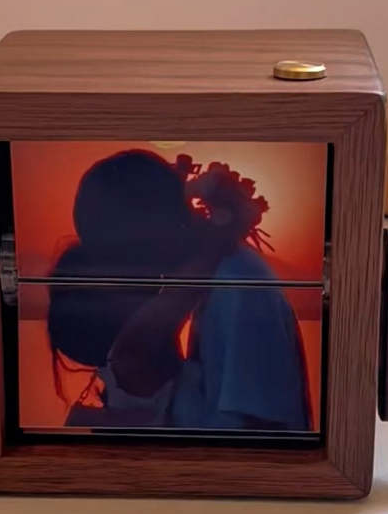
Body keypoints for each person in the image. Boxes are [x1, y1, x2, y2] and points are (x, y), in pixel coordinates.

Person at [47, 149, 312, 431]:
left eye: (114, 249)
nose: (125, 265)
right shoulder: (204, 282)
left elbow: (260, 435)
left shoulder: (235, 283)